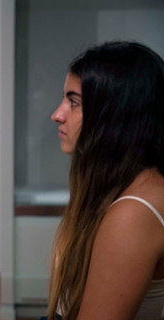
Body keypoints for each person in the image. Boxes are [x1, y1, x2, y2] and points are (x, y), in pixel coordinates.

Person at [46, 41, 164, 320]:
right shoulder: (120, 186)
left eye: (73, 102)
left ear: (116, 114)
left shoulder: (133, 213)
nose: (57, 115)